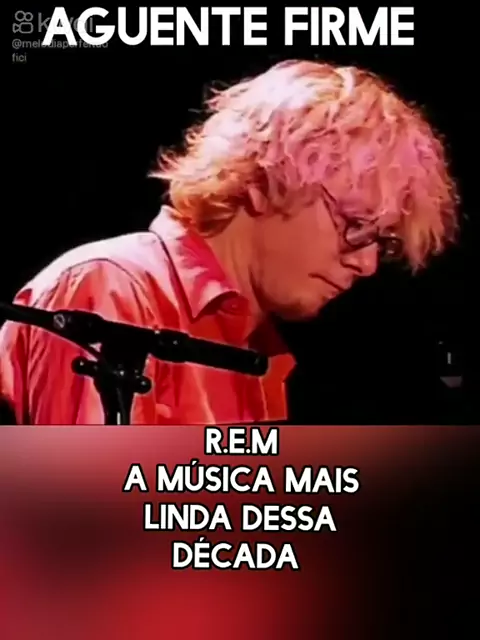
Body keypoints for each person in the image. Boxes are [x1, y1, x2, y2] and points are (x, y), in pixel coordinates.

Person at [0, 59, 458, 425]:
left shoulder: (260, 347)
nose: (368, 264)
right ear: (264, 180)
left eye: (382, 243)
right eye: (355, 225)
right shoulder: (114, 287)